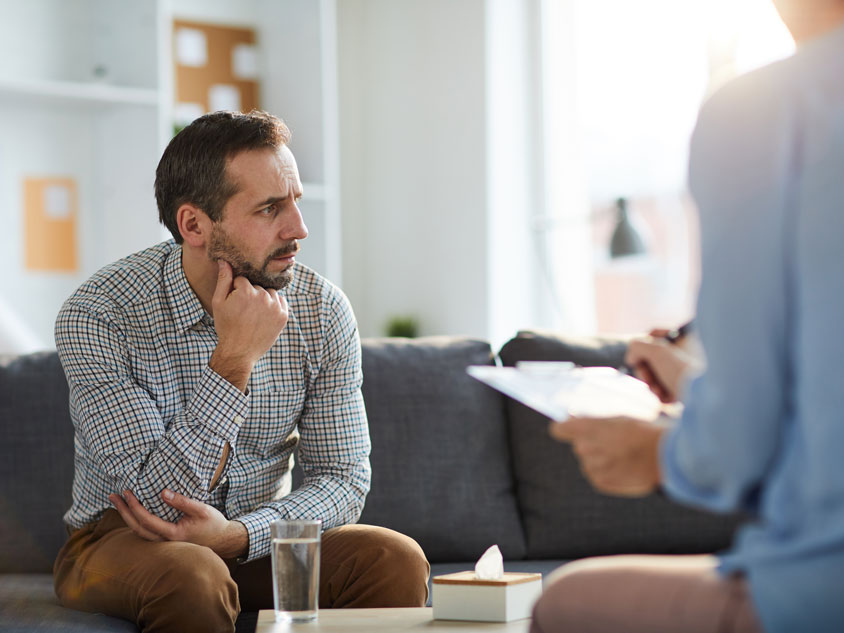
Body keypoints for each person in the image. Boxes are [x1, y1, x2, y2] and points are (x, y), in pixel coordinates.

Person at [531, 1, 844, 632]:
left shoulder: (765, 110)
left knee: (566, 602)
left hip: (821, 585)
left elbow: (736, 452)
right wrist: (695, 385)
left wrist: (657, 450)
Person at [52, 110, 429, 632]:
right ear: (194, 225)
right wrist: (234, 360)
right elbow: (153, 502)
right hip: (123, 541)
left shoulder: (322, 310)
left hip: (253, 538)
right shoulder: (101, 314)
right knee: (194, 573)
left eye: (296, 200)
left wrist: (241, 535)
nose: (298, 228)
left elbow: (343, 480)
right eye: (270, 208)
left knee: (392, 557)